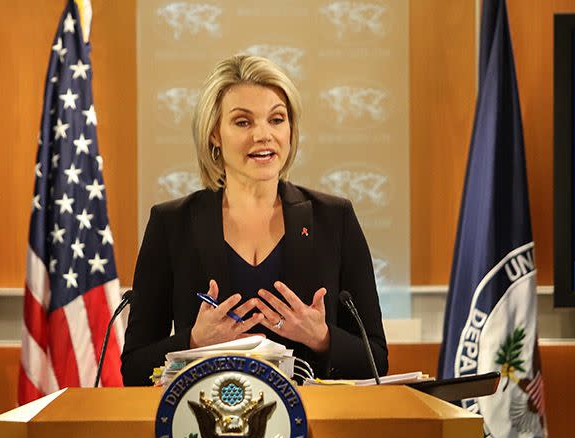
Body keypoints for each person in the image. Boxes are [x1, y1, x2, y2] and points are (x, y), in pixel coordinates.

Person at [121, 55, 388, 386]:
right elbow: (133, 369)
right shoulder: (171, 224)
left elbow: (376, 359)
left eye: (276, 119)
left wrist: (321, 337)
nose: (264, 135)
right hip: (206, 424)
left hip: (313, 427)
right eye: (243, 122)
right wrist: (191, 342)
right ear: (214, 133)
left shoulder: (334, 219)